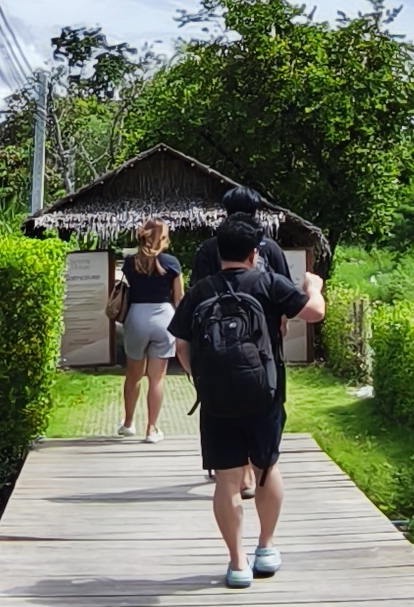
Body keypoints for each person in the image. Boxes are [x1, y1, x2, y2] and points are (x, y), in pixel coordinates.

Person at [169, 214, 325, 587]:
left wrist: (203, 381)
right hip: (264, 395)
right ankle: (266, 548)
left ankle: (237, 563)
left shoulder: (201, 291)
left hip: (216, 401)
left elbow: (181, 346)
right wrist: (313, 286)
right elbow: (315, 312)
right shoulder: (268, 283)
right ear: (254, 253)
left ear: (218, 252)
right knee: (266, 468)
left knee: (226, 480)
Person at [113, 217, 182, 442]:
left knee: (133, 375)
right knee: (157, 378)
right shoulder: (172, 263)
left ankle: (128, 423)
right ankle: (151, 429)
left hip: (137, 317)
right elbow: (179, 298)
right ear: (164, 237)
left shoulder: (131, 262)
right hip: (164, 317)